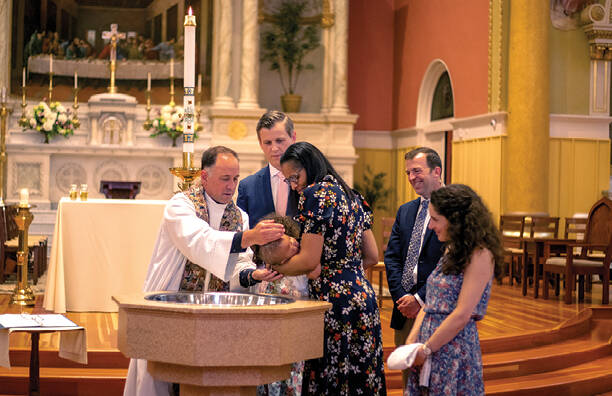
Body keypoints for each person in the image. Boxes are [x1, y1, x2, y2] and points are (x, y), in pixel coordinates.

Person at [123, 146, 285, 396]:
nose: (231, 186)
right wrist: (248, 237)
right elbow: (199, 242)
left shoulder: (239, 216)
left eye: (235, 178)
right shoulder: (181, 205)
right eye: (224, 178)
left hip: (215, 316)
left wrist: (253, 275)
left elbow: (238, 264)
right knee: (162, 378)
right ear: (204, 177)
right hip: (172, 304)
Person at [274, 142, 386, 395]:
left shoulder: (316, 194)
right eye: (288, 180)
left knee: (331, 377)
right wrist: (346, 272)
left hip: (333, 302)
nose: (294, 185)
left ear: (310, 167)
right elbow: (371, 256)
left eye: (295, 177)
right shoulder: (352, 195)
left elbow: (308, 261)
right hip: (362, 298)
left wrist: (276, 265)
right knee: (361, 376)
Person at [404, 184, 503, 395]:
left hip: (452, 348)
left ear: (456, 221)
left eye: (436, 219)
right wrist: (413, 339)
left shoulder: (480, 254)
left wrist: (428, 348)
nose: (430, 226)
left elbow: (462, 313)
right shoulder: (451, 248)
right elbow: (430, 302)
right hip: (429, 342)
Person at [236, 111, 303, 396]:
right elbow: (242, 235)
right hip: (264, 283)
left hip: (304, 281)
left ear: (293, 138)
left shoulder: (312, 183)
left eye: (280, 140)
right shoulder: (249, 186)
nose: (275, 148)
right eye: (267, 142)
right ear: (260, 144)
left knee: (298, 356)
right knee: (265, 356)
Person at [384, 147, 445, 385]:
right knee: (409, 378)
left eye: (417, 171)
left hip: (436, 308)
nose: (411, 177)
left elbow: (449, 264)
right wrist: (403, 298)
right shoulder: (406, 211)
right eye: (408, 172)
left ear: (436, 171)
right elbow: (392, 257)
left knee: (435, 378)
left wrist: (419, 300)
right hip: (403, 309)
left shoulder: (454, 210)